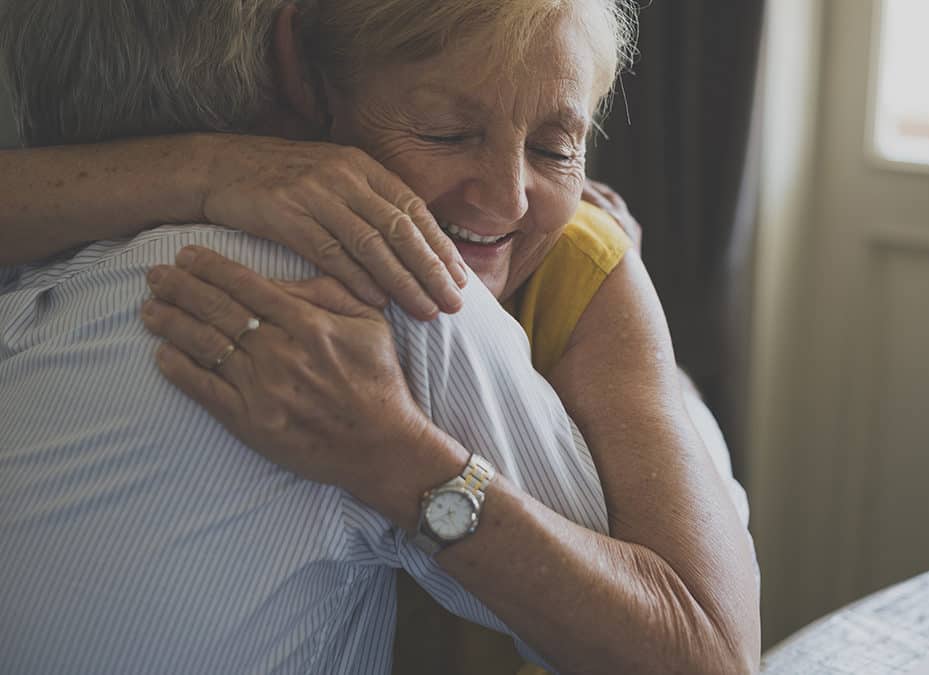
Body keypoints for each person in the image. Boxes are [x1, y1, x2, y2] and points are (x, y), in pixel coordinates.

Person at [0, 1, 760, 674]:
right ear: (310, 79)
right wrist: (404, 462)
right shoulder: (384, 294)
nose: (508, 196)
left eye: (556, 148)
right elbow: (702, 651)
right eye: (447, 131)